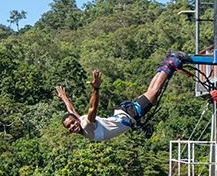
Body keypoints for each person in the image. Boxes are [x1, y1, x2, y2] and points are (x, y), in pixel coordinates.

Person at [56, 51, 189, 141]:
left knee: (153, 93)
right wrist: (64, 98)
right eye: (69, 126)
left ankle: (171, 61)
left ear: (77, 121)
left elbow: (92, 108)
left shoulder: (86, 126)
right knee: (152, 94)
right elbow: (71, 111)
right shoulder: (82, 123)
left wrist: (96, 89)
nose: (72, 126)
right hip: (124, 113)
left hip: (128, 115)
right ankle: (168, 64)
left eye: (72, 123)